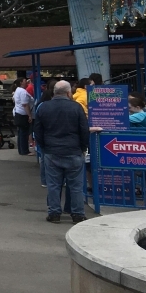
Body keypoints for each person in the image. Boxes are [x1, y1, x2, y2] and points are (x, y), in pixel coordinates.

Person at [33, 80, 89, 224]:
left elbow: (37, 130)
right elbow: (84, 130)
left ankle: (54, 213)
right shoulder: (76, 107)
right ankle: (77, 214)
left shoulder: (43, 107)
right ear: (69, 92)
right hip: (73, 150)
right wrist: (83, 148)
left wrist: (44, 147)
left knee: (53, 185)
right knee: (76, 186)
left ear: (54, 92)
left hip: (51, 151)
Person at [12, 78, 34, 155]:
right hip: (23, 114)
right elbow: (25, 104)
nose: (26, 82)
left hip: (18, 113)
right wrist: (29, 115)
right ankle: (25, 150)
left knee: (21, 132)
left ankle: (21, 150)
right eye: (25, 81)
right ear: (21, 82)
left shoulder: (18, 90)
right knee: (24, 133)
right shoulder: (22, 92)